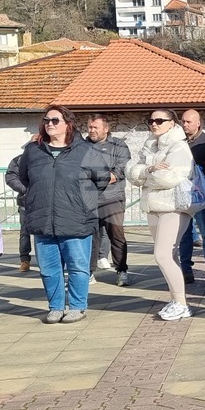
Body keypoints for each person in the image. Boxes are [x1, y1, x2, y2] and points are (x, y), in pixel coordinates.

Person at [19, 106, 110, 324]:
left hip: (76, 219)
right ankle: (56, 307)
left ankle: (78, 307)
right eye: (46, 120)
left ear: (68, 124)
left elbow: (102, 178)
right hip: (43, 219)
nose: (49, 124)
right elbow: (23, 177)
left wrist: (81, 200)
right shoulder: (34, 151)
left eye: (55, 120)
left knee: (78, 266)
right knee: (49, 270)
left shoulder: (86, 150)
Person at [127, 109, 196, 320]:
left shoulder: (179, 146)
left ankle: (182, 303)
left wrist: (145, 174)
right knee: (169, 256)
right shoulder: (151, 145)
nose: (154, 124)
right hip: (154, 205)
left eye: (159, 120)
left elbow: (169, 177)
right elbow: (130, 170)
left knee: (162, 255)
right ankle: (176, 299)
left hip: (173, 207)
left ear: (173, 123)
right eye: (151, 120)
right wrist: (149, 169)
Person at [86, 114, 132, 287]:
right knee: (90, 238)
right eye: (90, 127)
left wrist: (91, 176)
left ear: (106, 128)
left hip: (112, 199)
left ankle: (121, 270)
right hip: (88, 200)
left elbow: (119, 173)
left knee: (117, 237)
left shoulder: (118, 145)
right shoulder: (81, 147)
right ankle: (88, 273)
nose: (92, 130)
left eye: (95, 127)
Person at [178, 109, 205, 285]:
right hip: (182, 195)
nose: (185, 125)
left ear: (198, 123)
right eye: (183, 121)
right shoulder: (178, 143)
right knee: (184, 235)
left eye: (188, 122)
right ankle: (186, 270)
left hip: (201, 196)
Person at [5, 135, 39, 272]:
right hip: (25, 201)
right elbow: (10, 176)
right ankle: (24, 260)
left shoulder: (48, 159)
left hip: (44, 202)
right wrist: (25, 189)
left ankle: (44, 260)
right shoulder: (19, 159)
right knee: (24, 232)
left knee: (43, 233)